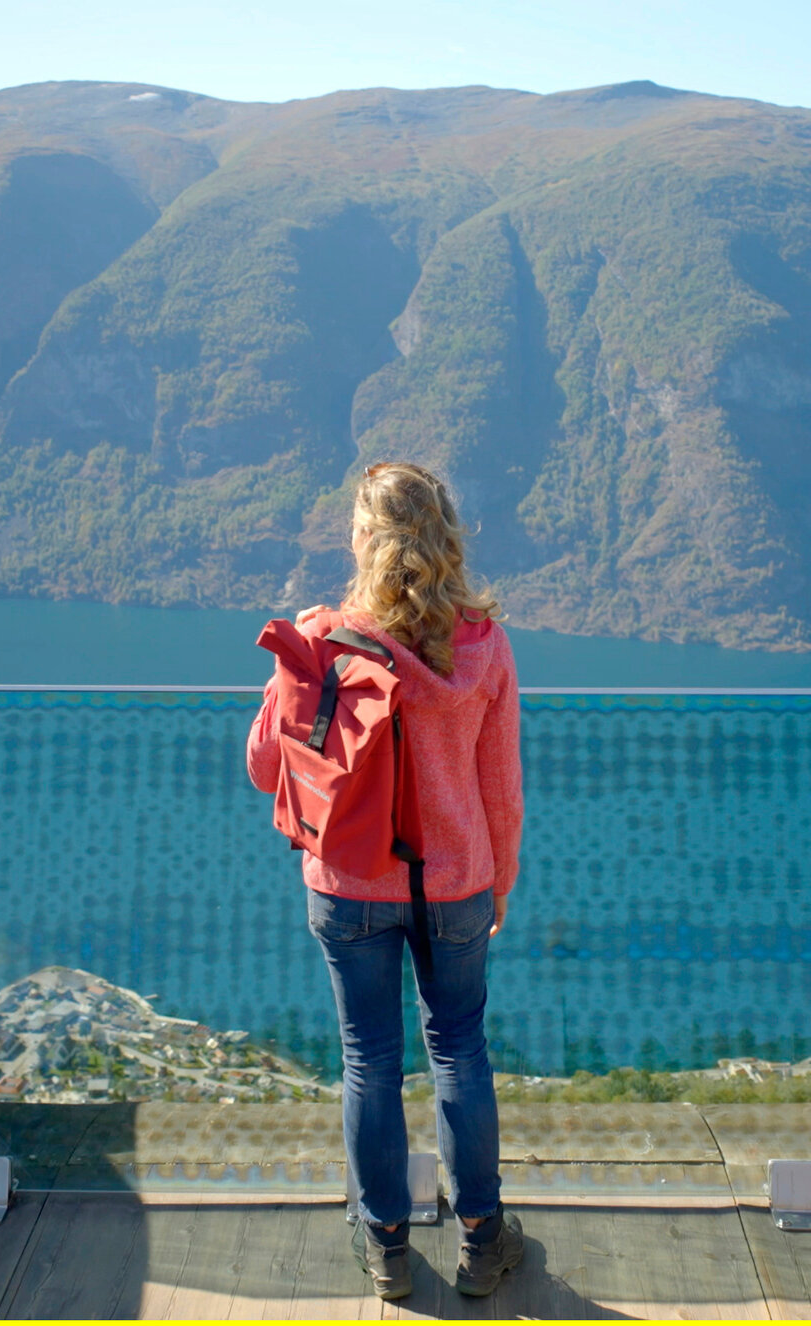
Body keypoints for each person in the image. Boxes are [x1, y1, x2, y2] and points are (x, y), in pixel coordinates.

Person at [244, 461, 526, 1301]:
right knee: (459, 1051)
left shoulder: (329, 640)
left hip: (349, 885)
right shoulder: (484, 646)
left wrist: (293, 666)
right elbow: (501, 789)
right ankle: (481, 1241)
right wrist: (498, 881)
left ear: (363, 541)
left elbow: (266, 767)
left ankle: (388, 1249)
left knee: (369, 1060)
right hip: (456, 888)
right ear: (446, 537)